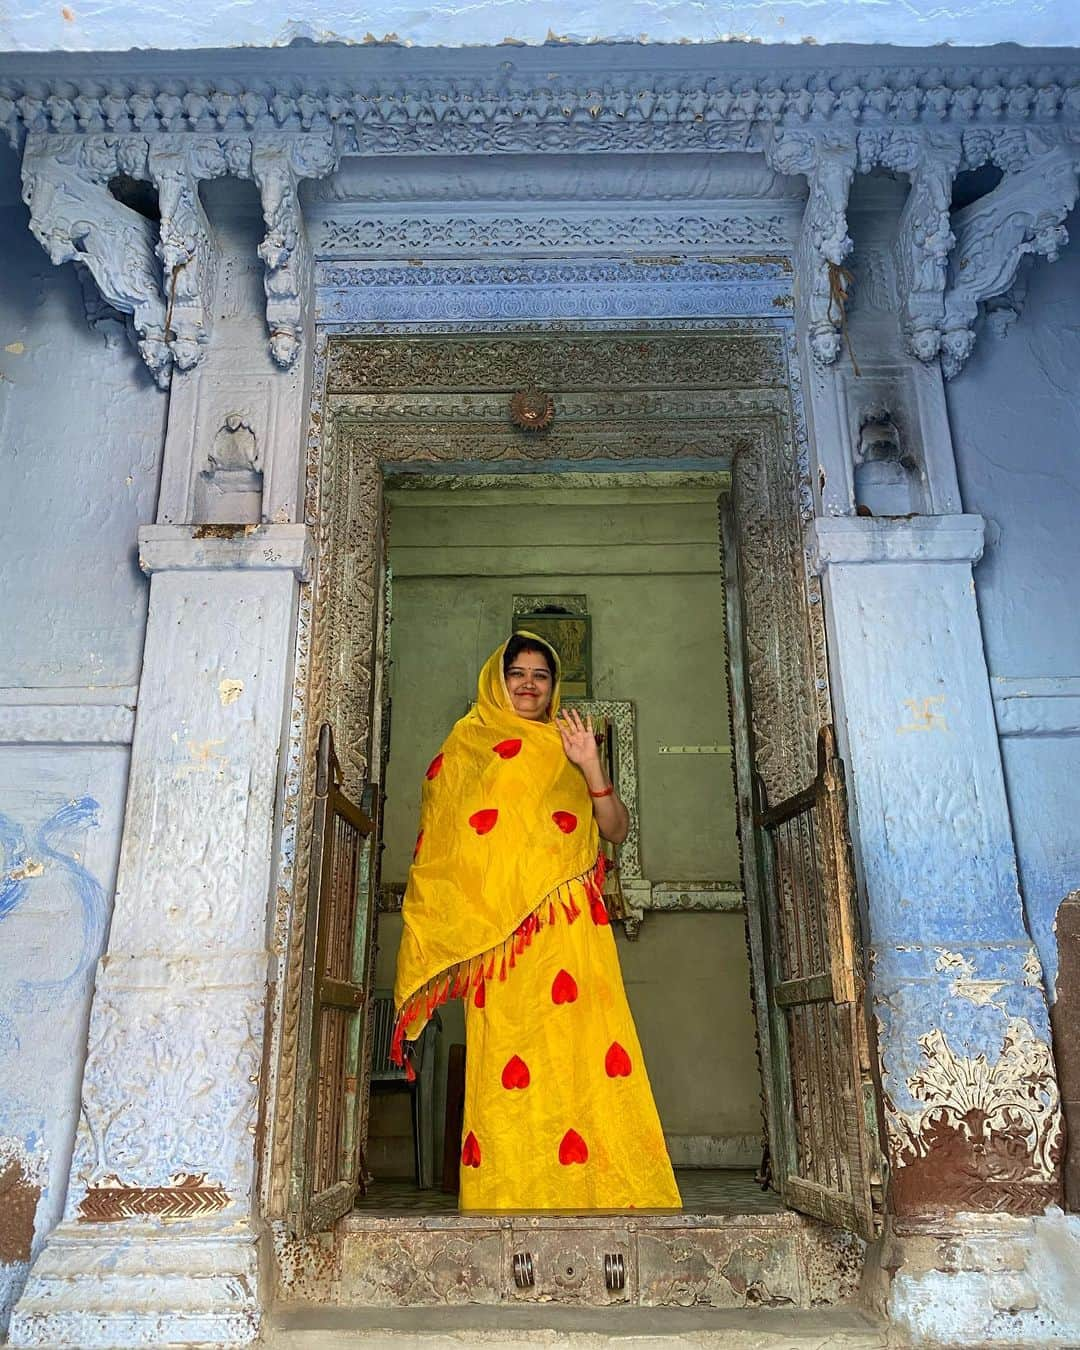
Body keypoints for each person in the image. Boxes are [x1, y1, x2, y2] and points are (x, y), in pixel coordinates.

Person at [392, 632, 681, 1210]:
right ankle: (507, 1196)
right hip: (500, 942)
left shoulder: (568, 743)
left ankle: (598, 1193)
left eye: (541, 675)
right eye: (516, 673)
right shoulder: (467, 747)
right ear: (496, 680)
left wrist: (591, 765)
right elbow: (446, 850)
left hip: (569, 930)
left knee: (581, 1053)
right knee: (509, 1060)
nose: (528, 684)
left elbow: (615, 829)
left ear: (555, 686)